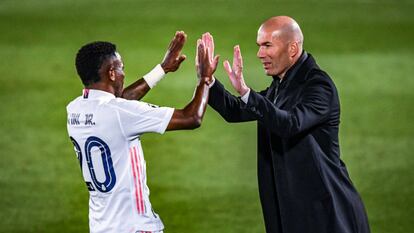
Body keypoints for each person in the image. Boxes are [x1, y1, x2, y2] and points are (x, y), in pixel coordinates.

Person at [205, 16, 370, 233]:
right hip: (294, 209)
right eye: (259, 46)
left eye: (267, 45)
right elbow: (235, 111)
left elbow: (290, 124)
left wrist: (246, 92)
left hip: (326, 213)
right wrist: (207, 80)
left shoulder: (318, 86)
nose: (259, 54)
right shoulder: (280, 86)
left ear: (292, 49)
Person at [66, 31, 219, 233]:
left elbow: (120, 105)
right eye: (121, 68)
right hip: (135, 227)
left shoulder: (75, 109)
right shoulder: (119, 113)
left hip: (101, 226)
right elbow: (192, 117)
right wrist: (205, 78)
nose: (123, 74)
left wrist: (162, 69)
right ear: (111, 73)